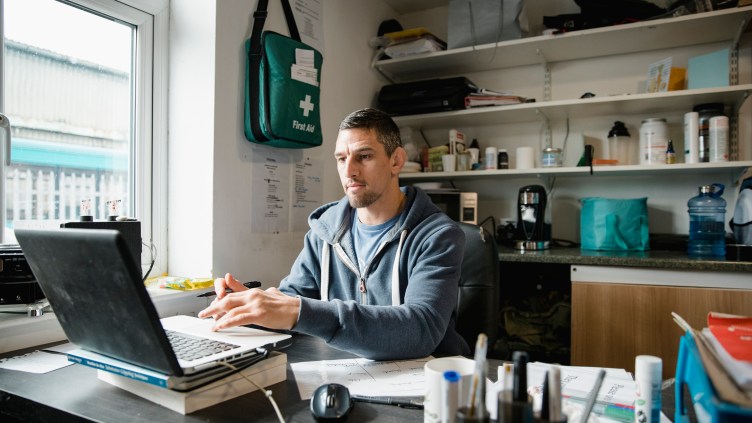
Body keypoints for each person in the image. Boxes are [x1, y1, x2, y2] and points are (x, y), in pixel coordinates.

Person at [198, 108, 469, 360]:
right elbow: (290, 302)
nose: (349, 171)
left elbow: (421, 330)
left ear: (396, 160)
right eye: (341, 158)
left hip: (427, 384)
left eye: (364, 156)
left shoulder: (438, 236)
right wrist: (246, 307)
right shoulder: (324, 231)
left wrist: (298, 311)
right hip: (343, 373)